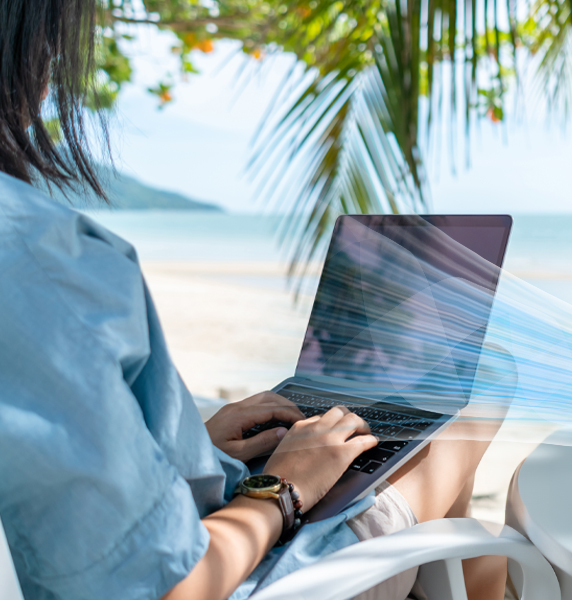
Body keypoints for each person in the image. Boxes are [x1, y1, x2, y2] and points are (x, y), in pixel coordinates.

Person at [0, 1, 506, 598]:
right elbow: (167, 587)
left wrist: (191, 445)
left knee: (421, 428)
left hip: (181, 527)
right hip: (255, 576)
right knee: (478, 392)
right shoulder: (34, 257)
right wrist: (283, 489)